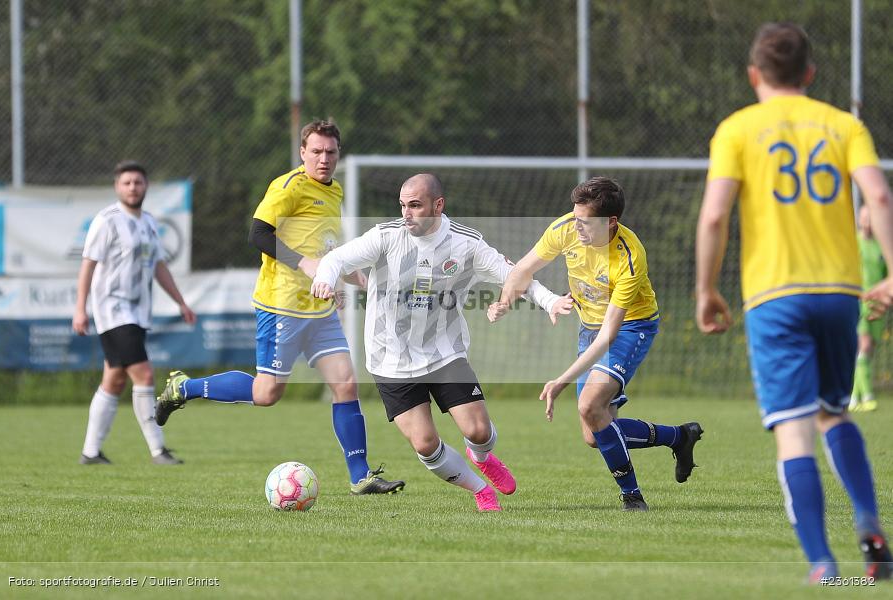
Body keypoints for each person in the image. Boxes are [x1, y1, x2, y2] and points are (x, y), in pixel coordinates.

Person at [695, 22, 893, 582]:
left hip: (775, 296)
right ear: (809, 73)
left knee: (794, 427)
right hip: (839, 292)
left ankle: (824, 565)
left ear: (754, 74)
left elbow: (714, 216)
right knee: (835, 411)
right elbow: (877, 193)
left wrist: (706, 289)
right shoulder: (842, 123)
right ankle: (872, 529)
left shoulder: (737, 129)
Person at [155, 120, 404, 495]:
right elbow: (257, 232)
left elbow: (326, 251)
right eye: (316, 151)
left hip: (319, 311)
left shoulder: (333, 191)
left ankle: (360, 476)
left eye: (331, 152)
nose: (324, 159)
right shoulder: (288, 186)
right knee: (266, 394)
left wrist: (358, 279)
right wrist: (304, 264)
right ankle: (183, 387)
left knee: (346, 384)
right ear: (303, 152)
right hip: (281, 307)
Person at [310, 173, 568, 511]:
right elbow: (336, 259)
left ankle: (482, 457)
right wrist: (324, 279)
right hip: (390, 360)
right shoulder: (386, 237)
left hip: (445, 353)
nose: (407, 214)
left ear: (438, 205)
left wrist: (550, 301)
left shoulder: (466, 243)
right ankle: (480, 491)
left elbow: (515, 274)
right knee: (426, 443)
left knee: (478, 430)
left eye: (415, 205)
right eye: (403, 205)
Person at [495, 176, 703, 512]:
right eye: (575, 218)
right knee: (594, 434)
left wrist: (560, 380)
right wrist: (505, 302)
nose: (576, 228)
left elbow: (609, 335)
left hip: (630, 329)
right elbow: (523, 269)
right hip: (589, 327)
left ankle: (632, 497)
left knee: (589, 405)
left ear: (611, 222)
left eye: (585, 223)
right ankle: (679, 437)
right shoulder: (566, 227)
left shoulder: (629, 257)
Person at [73, 160, 196, 465]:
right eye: (126, 183)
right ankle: (158, 450)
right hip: (112, 310)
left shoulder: (149, 223)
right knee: (144, 373)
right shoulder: (107, 221)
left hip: (138, 313)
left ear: (146, 186)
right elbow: (88, 265)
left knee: (114, 380)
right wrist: (80, 309)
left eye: (138, 182)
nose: (132, 188)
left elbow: (158, 266)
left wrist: (181, 301)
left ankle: (90, 452)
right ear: (117, 187)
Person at [851, 205, 887, 412]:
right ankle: (867, 395)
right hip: (858, 300)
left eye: (871, 218)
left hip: (877, 302)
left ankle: (854, 398)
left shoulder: (881, 247)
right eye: (864, 218)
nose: (867, 222)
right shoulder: (854, 243)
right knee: (863, 345)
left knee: (867, 350)